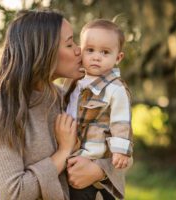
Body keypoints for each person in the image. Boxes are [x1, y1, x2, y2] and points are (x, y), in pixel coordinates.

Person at [0, 10, 116, 200]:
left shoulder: (68, 98)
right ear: (44, 53)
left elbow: (120, 151)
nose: (79, 50)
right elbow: (13, 193)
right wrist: (63, 152)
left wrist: (98, 171)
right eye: (69, 44)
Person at [66, 19, 133, 200]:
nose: (96, 57)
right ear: (81, 51)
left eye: (105, 52)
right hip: (71, 158)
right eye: (90, 50)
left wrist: (120, 151)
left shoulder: (115, 89)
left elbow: (121, 121)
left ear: (118, 57)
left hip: (94, 160)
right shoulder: (74, 83)